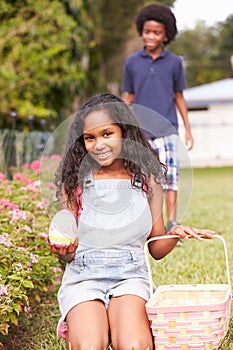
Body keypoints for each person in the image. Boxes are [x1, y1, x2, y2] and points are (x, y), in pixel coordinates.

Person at [48, 93, 213, 350]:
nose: (99, 144)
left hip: (130, 276)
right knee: (89, 345)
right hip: (83, 276)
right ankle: (89, 322)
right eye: (90, 138)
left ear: (124, 132)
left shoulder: (148, 180)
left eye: (107, 134)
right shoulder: (75, 181)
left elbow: (156, 248)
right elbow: (68, 250)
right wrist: (64, 251)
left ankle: (116, 322)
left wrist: (176, 232)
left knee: (134, 345)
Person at [122, 3, 194, 232]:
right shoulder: (132, 63)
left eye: (156, 32)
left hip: (167, 130)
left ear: (166, 35)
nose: (150, 36)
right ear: (141, 31)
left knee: (170, 178)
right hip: (141, 132)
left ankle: (172, 222)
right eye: (147, 31)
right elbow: (129, 97)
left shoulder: (174, 63)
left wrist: (188, 130)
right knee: (143, 179)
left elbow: (179, 97)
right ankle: (149, 223)